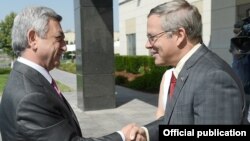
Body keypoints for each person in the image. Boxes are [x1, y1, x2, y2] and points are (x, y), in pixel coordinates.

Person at [0, 6, 135, 141]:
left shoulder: (24, 78)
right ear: (33, 38)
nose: (64, 46)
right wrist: (122, 137)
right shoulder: (30, 97)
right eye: (59, 39)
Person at [129, 0, 246, 140]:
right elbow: (180, 120)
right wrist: (146, 133)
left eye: (152, 37)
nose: (147, 45)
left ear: (179, 35)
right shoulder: (190, 69)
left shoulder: (213, 78)